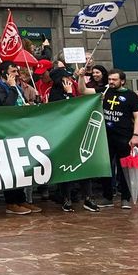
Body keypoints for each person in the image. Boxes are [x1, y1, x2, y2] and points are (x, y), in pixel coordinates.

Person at [47, 68, 100, 212]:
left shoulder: (72, 88)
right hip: (63, 136)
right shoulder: (55, 93)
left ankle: (88, 198)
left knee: (84, 166)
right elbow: (67, 109)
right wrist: (69, 94)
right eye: (66, 77)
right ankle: (66, 198)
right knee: (67, 167)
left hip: (77, 133)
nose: (69, 79)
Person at [0, 62, 37, 216]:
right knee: (10, 168)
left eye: (17, 71)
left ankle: (21, 199)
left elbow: (19, 103)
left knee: (21, 167)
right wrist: (12, 87)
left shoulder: (16, 86)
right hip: (7, 132)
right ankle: (11, 202)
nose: (16, 74)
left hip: (21, 130)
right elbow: (7, 106)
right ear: (4, 73)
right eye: (13, 71)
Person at [99, 68, 138, 209]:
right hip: (106, 136)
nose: (111, 82)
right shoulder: (104, 91)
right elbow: (83, 90)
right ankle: (107, 197)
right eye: (110, 79)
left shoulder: (131, 96)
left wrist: (135, 135)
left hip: (124, 136)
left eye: (114, 80)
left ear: (122, 81)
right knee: (105, 167)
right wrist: (81, 76)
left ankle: (125, 198)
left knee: (124, 168)